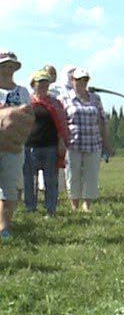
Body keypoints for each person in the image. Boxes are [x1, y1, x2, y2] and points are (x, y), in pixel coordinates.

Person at [62, 67, 110, 212]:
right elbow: (61, 121)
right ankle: (74, 204)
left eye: (85, 79)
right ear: (72, 80)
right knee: (72, 174)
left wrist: (106, 142)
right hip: (73, 143)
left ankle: (87, 204)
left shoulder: (95, 98)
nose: (82, 82)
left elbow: (102, 120)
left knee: (91, 174)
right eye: (78, 80)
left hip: (94, 142)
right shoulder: (64, 98)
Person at [23, 69, 68, 217]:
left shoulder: (55, 103)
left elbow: (61, 125)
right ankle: (30, 208)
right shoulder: (27, 102)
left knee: (51, 180)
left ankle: (51, 210)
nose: (43, 85)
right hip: (30, 147)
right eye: (39, 82)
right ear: (33, 85)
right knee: (29, 180)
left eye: (45, 82)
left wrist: (62, 142)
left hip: (50, 147)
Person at [0, 51, 33, 239]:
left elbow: (30, 116)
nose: (8, 70)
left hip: (13, 146)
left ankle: (4, 228)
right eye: (4, 66)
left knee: (9, 186)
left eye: (11, 66)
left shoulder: (22, 92)